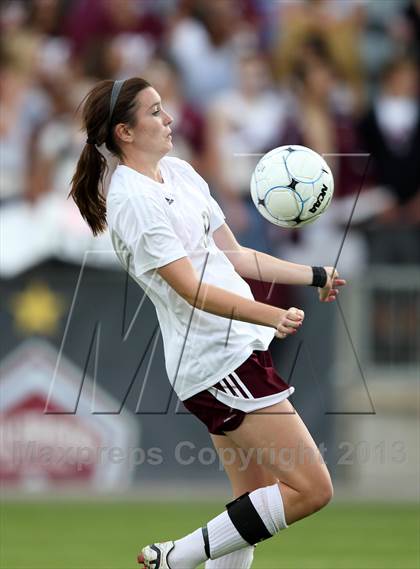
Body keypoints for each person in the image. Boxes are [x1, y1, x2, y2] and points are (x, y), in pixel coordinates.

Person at [70, 78, 346, 569]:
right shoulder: (132, 200)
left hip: (230, 354)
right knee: (313, 488)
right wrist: (270, 314)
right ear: (125, 132)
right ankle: (174, 558)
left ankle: (179, 558)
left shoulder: (178, 173)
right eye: (154, 112)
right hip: (218, 363)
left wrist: (314, 274)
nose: (169, 118)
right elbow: (190, 288)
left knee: (254, 502)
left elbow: (235, 255)